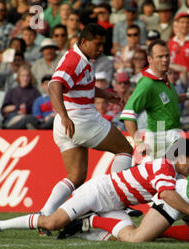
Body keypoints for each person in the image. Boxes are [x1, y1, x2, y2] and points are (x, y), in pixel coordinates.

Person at [0, 139, 189, 243]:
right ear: (180, 156)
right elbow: (166, 195)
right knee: (52, 223)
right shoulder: (165, 168)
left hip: (115, 204)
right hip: (98, 192)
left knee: (132, 238)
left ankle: (89, 222)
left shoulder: (168, 171)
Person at [41, 23, 133, 220]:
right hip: (80, 120)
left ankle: (46, 213)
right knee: (125, 150)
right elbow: (55, 85)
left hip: (65, 125)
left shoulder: (81, 58)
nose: (101, 49)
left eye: (103, 45)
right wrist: (65, 115)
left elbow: (82, 87)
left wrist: (105, 95)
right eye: (97, 45)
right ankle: (116, 203)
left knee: (76, 176)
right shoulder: (75, 60)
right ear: (84, 41)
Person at [120, 39, 189, 159]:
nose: (165, 60)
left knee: (176, 174)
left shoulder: (163, 78)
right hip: (158, 138)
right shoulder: (147, 84)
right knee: (164, 175)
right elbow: (128, 114)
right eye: (160, 57)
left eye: (167, 56)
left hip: (171, 135)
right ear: (150, 59)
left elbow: (170, 100)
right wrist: (138, 143)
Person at [0, 65, 41, 129]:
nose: (25, 78)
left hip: (29, 117)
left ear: (31, 78)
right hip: (13, 117)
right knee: (15, 117)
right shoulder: (12, 92)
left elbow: (39, 109)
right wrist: (17, 108)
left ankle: (6, 128)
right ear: (19, 77)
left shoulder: (35, 92)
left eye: (27, 76)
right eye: (23, 76)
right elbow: (4, 109)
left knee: (29, 119)